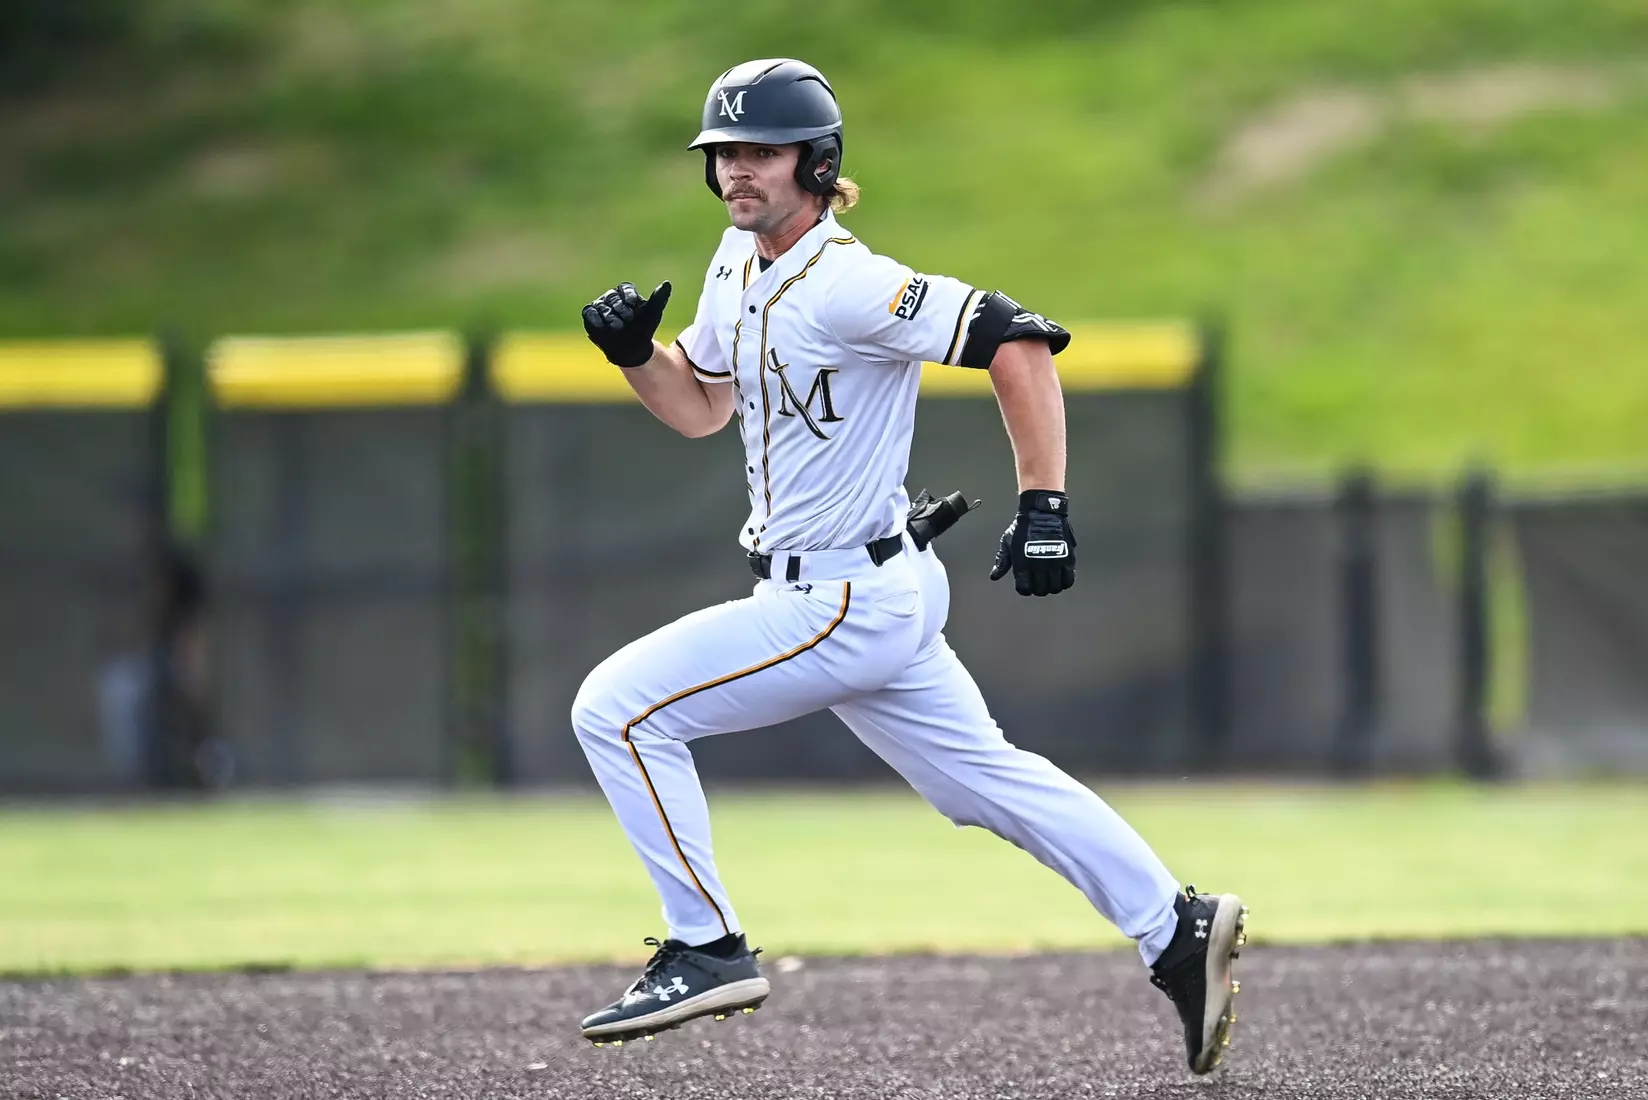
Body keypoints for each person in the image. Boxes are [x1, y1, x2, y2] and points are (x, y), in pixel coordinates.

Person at [574, 58, 1246, 1074]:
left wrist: (1044, 504)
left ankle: (704, 943)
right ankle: (1175, 927)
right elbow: (700, 407)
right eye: (723, 155)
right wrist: (636, 354)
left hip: (840, 595)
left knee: (616, 707)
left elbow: (1018, 340)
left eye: (760, 152)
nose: (737, 173)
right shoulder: (733, 262)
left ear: (819, 162)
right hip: (850, 585)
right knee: (983, 782)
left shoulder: (849, 281)